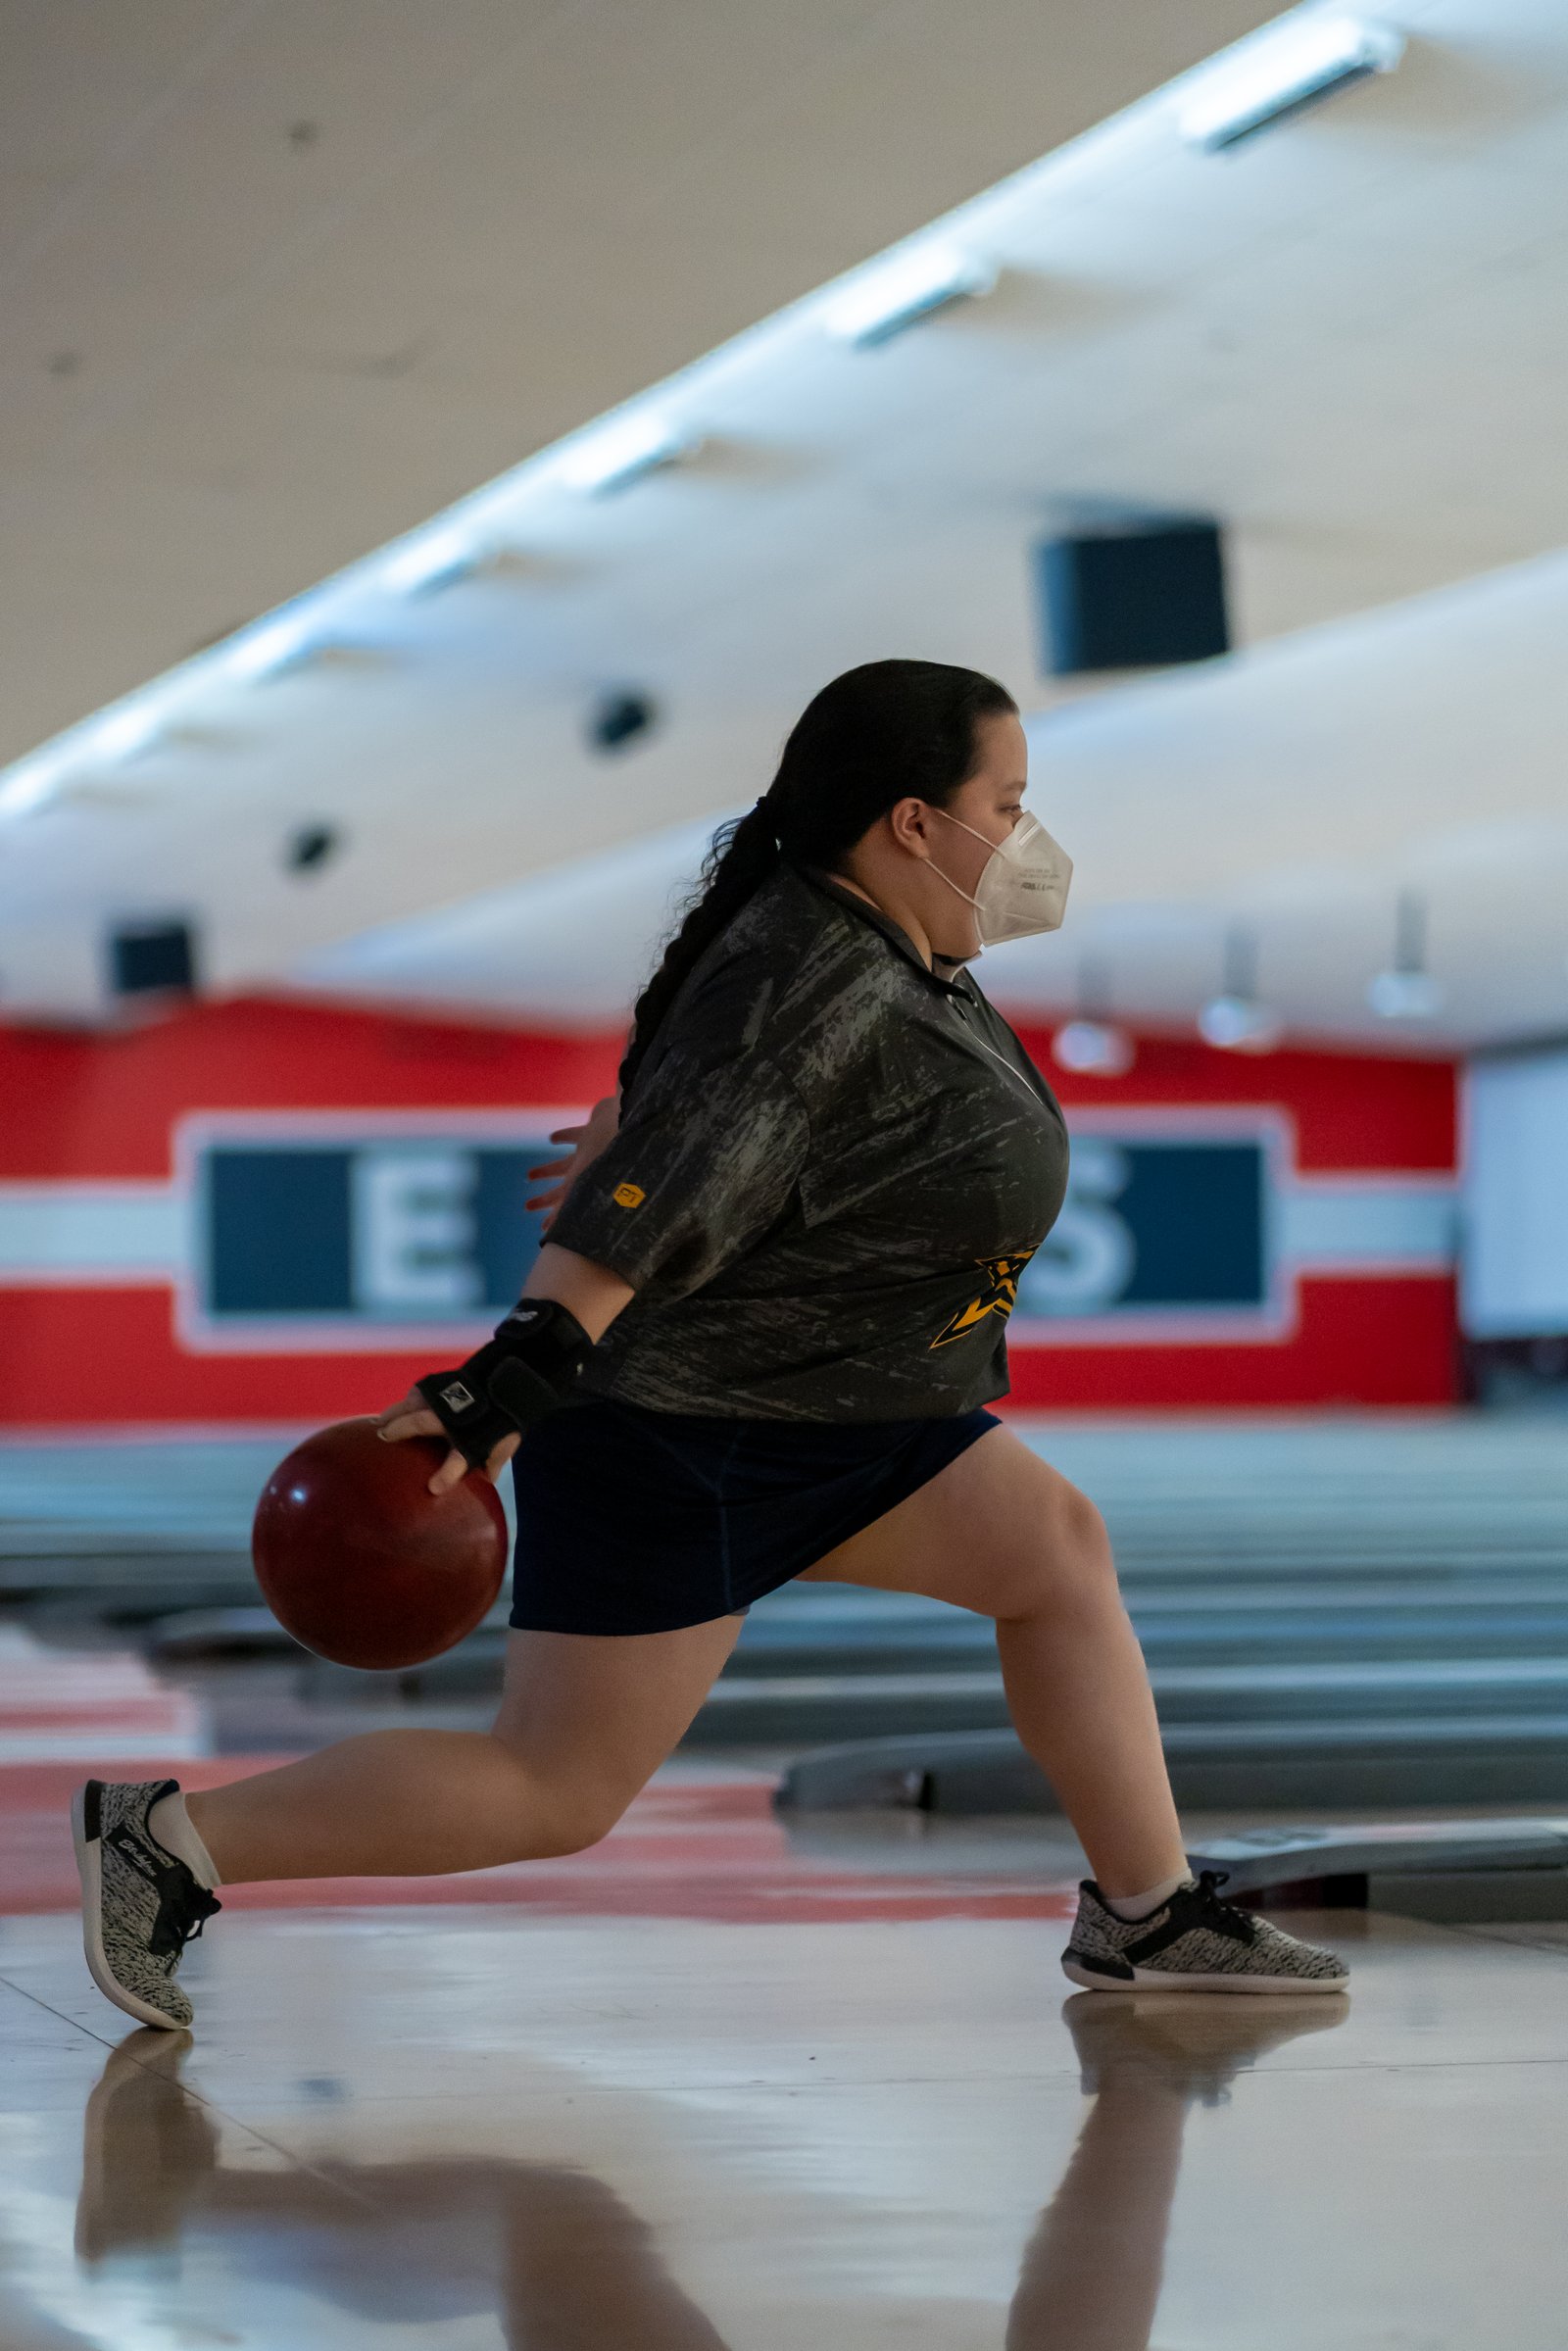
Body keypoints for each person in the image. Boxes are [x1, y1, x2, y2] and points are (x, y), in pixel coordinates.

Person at [72, 660, 1348, 2031]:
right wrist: (498, 1389)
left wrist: (652, 1128)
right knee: (555, 1791)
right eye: (1009, 800)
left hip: (846, 1415)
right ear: (914, 820)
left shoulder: (889, 947)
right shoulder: (814, 972)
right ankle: (170, 1844)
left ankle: (1145, 1912)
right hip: (696, 1440)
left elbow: (719, 1142)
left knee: (1057, 1556)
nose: (1029, 836)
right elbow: (648, 1216)